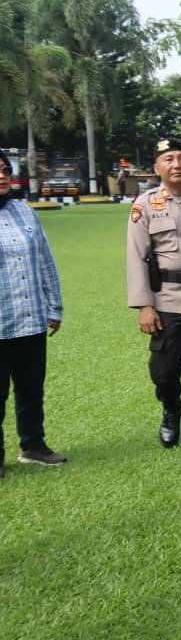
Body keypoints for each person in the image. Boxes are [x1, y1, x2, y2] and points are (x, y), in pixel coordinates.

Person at [126, 137, 181, 447]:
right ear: (157, 168)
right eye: (169, 159)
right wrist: (144, 306)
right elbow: (136, 257)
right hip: (167, 300)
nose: (176, 165)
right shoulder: (145, 205)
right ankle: (171, 411)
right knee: (164, 370)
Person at [0, 152, 65, 475]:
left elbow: (44, 260)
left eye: (4, 170)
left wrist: (54, 306)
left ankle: (33, 445)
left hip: (30, 317)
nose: (2, 176)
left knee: (30, 388)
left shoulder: (24, 211)